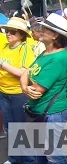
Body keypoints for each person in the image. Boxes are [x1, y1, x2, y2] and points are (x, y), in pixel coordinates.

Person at [20, 13, 67, 164]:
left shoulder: (58, 59)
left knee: (53, 154)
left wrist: (25, 87)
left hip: (52, 113)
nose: (40, 30)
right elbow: (26, 72)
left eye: (45, 28)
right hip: (42, 112)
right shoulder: (45, 53)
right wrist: (24, 86)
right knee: (41, 150)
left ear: (55, 35)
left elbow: (35, 92)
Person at [0, 17, 35, 164]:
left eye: (13, 32)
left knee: (21, 129)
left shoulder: (24, 48)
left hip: (18, 94)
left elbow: (23, 72)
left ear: (21, 34)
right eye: (7, 31)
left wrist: (2, 63)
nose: (8, 34)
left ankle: (28, 160)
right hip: (3, 93)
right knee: (9, 127)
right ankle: (14, 158)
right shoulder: (5, 47)